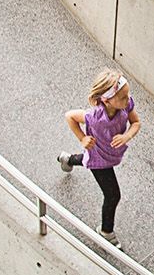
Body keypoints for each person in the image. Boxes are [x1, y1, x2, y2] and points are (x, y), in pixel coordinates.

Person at [57, 69, 141, 243]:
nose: (128, 100)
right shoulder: (93, 116)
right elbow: (70, 116)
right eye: (123, 97)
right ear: (106, 100)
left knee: (87, 159)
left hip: (108, 153)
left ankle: (67, 159)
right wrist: (82, 138)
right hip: (99, 159)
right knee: (113, 195)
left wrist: (127, 136)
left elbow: (136, 122)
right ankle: (106, 232)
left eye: (127, 95)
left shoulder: (127, 105)